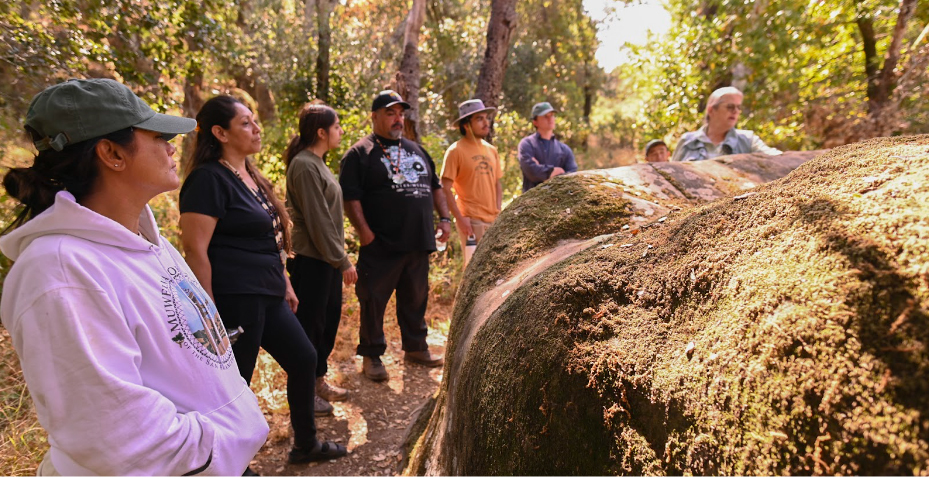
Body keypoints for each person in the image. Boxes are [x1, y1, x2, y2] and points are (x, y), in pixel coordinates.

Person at [0, 78, 269, 475]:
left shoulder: (145, 239)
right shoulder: (59, 271)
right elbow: (116, 435)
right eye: (158, 136)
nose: (171, 146)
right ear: (111, 153)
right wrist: (217, 447)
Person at [179, 95, 346, 464]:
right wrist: (209, 311)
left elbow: (270, 235)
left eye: (255, 121)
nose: (256, 129)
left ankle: (306, 444)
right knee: (234, 384)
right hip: (235, 296)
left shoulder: (249, 174)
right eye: (245, 123)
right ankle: (223, 464)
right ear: (219, 132)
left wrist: (283, 280)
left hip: (267, 291)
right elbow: (195, 250)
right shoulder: (207, 180)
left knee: (303, 359)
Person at [339, 90, 451, 381]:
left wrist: (445, 218)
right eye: (390, 113)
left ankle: (416, 347)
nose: (398, 118)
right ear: (374, 116)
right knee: (373, 300)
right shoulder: (359, 154)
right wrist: (364, 233)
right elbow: (350, 197)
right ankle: (373, 355)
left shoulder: (416, 150)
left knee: (416, 298)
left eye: (400, 113)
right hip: (381, 244)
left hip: (418, 240)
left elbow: (436, 186)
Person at [283, 102, 357, 416]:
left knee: (325, 323)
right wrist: (342, 260)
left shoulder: (318, 163)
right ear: (321, 132)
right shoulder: (303, 165)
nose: (340, 131)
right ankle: (304, 393)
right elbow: (318, 220)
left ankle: (318, 381)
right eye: (337, 126)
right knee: (309, 328)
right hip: (311, 260)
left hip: (324, 260)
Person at [440, 99, 503, 267]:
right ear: (466, 125)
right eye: (479, 119)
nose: (486, 123)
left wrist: (498, 212)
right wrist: (460, 219)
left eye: (486, 118)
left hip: (494, 221)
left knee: (495, 270)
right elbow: (445, 188)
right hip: (472, 223)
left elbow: (497, 183)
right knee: (474, 273)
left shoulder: (491, 150)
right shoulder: (455, 151)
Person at [671, 86, 782, 162]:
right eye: (730, 107)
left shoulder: (748, 140)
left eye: (738, 107)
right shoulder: (688, 141)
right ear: (711, 110)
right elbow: (671, 175)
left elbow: (778, 158)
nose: (735, 111)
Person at [517, 101, 577, 192]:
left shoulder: (564, 149)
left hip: (558, 202)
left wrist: (543, 173)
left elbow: (573, 177)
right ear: (535, 122)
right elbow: (532, 172)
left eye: (552, 115)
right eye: (545, 116)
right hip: (530, 203)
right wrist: (553, 171)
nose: (550, 119)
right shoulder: (526, 144)